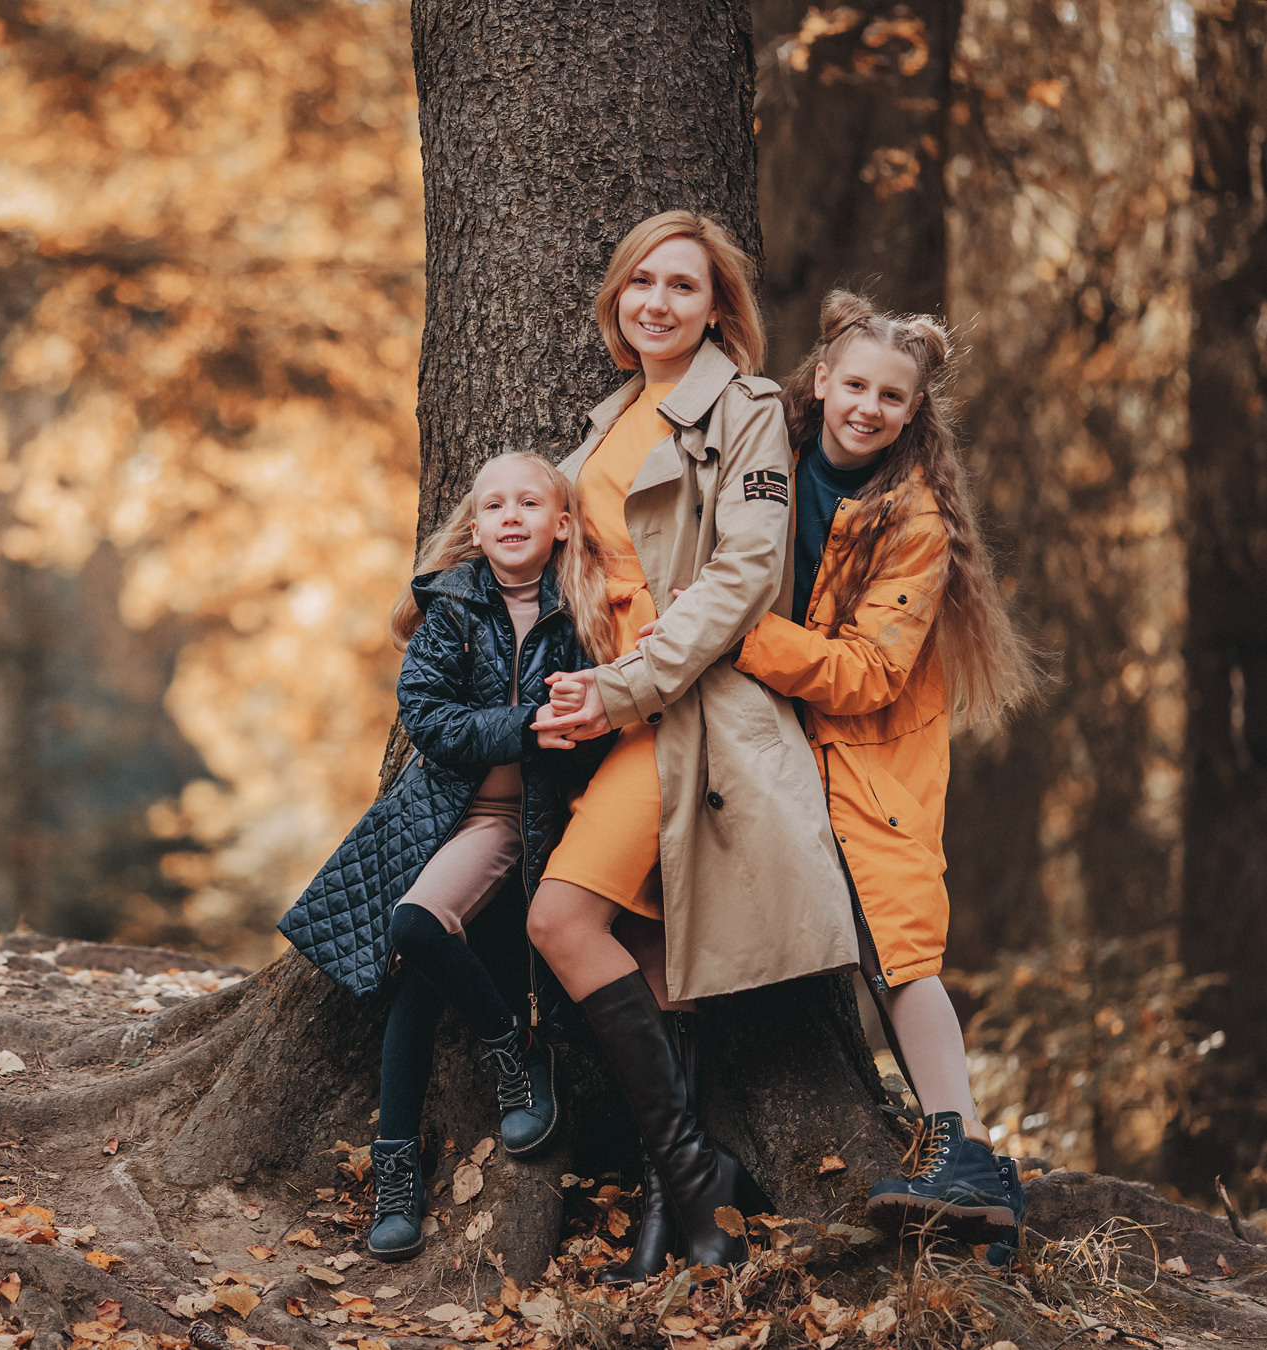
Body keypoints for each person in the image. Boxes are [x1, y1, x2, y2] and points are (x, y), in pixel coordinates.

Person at [526, 210, 859, 1278]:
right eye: (641, 283)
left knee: (561, 919)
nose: (657, 302)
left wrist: (622, 689)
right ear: (616, 299)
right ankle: (681, 1209)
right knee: (653, 954)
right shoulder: (609, 417)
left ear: (718, 309)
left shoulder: (745, 409)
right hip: (603, 709)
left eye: (682, 286)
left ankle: (697, 1169)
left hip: (681, 711)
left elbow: (744, 573)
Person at [729, 291, 1042, 1233]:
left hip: (871, 750)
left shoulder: (914, 522)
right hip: (770, 730)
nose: (867, 407)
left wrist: (738, 636)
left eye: (891, 397)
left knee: (895, 950)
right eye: (856, 385)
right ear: (821, 378)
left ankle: (966, 1152)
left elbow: (867, 673)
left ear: (913, 413)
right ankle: (978, 1174)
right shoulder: (764, 454)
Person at [279, 452, 616, 1262]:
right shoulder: (452, 608)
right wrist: (524, 725)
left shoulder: (585, 612)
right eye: (493, 505)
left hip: (539, 823)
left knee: (420, 956)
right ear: (474, 527)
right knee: (413, 947)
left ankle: (426, 1145)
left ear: (561, 524)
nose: (510, 516)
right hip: (453, 819)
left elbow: (603, 725)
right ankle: (497, 1068)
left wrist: (574, 726)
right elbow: (427, 716)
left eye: (528, 503)